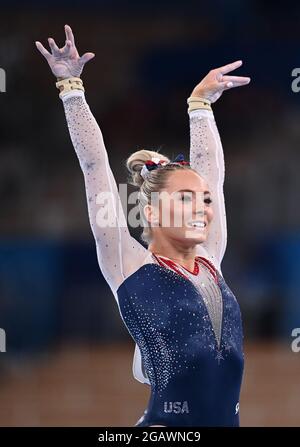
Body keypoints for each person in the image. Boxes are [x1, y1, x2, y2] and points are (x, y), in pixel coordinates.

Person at [35, 24, 250, 427]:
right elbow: (95, 166)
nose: (203, 208)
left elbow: (212, 177)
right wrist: (71, 88)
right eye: (184, 199)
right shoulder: (128, 264)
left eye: (203, 201)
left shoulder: (210, 261)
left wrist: (200, 105)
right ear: (150, 213)